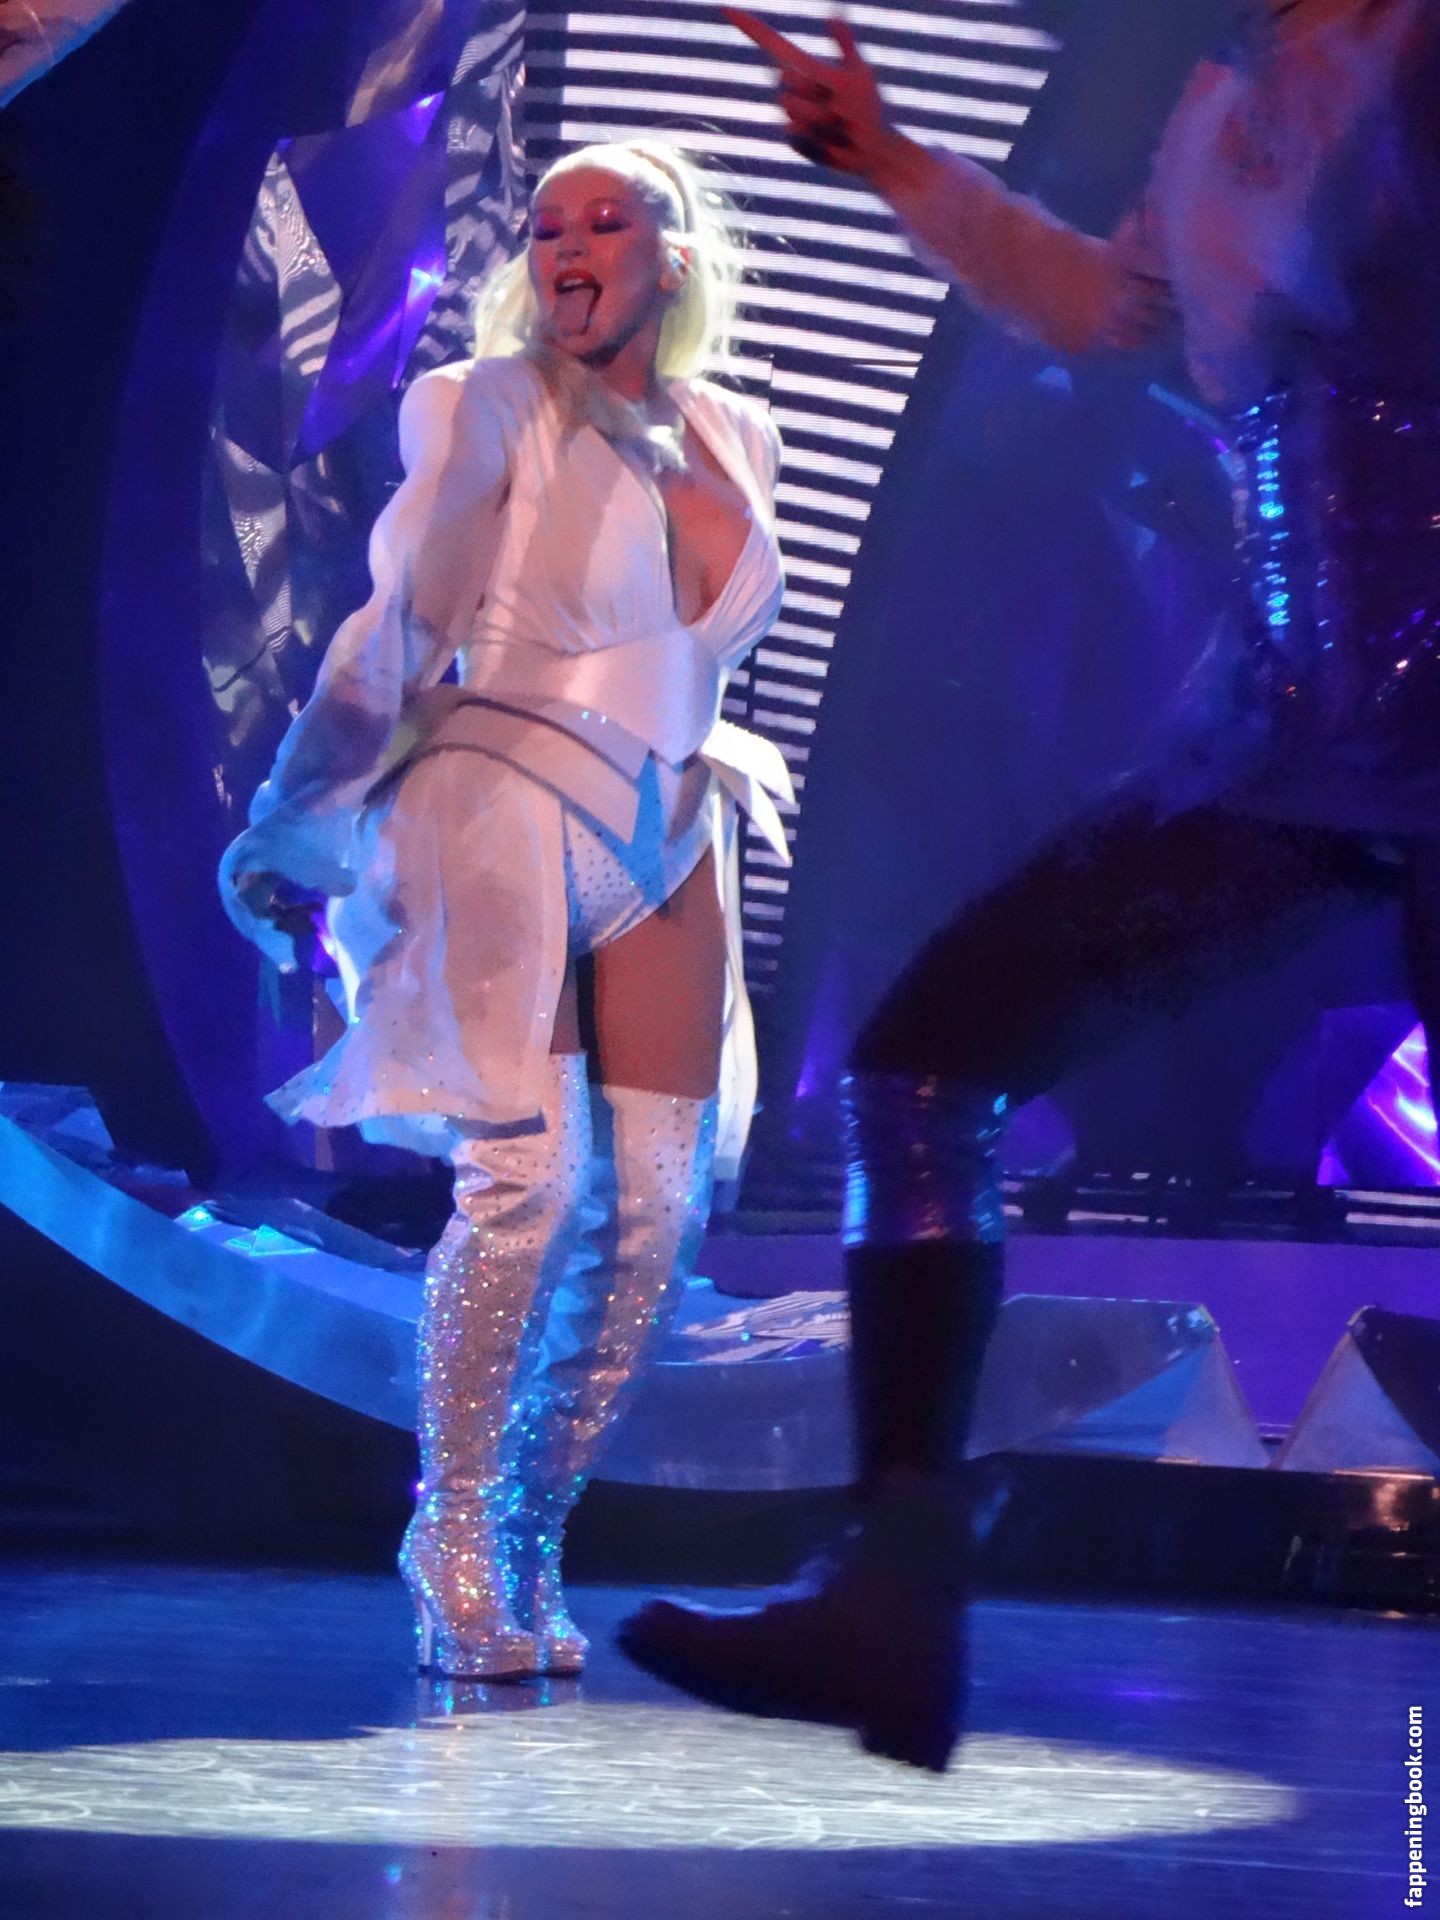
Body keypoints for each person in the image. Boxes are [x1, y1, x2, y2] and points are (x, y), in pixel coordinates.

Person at [619, 0, 1440, 1769]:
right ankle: (894, 1597)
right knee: (929, 1064)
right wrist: (895, 163)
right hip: (1298, 731)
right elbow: (1117, 309)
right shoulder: (1231, 81)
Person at [219, 139, 790, 1680]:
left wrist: (653, 446)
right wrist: (295, 810)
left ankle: (532, 1525)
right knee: (527, 1191)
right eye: (547, 227)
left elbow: (708, 629)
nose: (569, 247)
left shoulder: (736, 430)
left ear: (674, 256)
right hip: (507, 801)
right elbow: (402, 618)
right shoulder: (484, 403)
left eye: (608, 221)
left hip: (668, 823)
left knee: (653, 1224)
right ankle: (454, 1530)